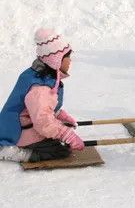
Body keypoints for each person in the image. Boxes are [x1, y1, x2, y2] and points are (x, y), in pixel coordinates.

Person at [0, 29, 82, 163]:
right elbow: (43, 121)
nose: (70, 62)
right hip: (18, 133)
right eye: (68, 58)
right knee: (61, 150)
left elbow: (42, 108)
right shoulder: (41, 89)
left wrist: (61, 115)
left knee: (59, 133)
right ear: (56, 61)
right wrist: (67, 135)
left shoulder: (40, 75)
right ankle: (18, 153)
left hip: (17, 124)